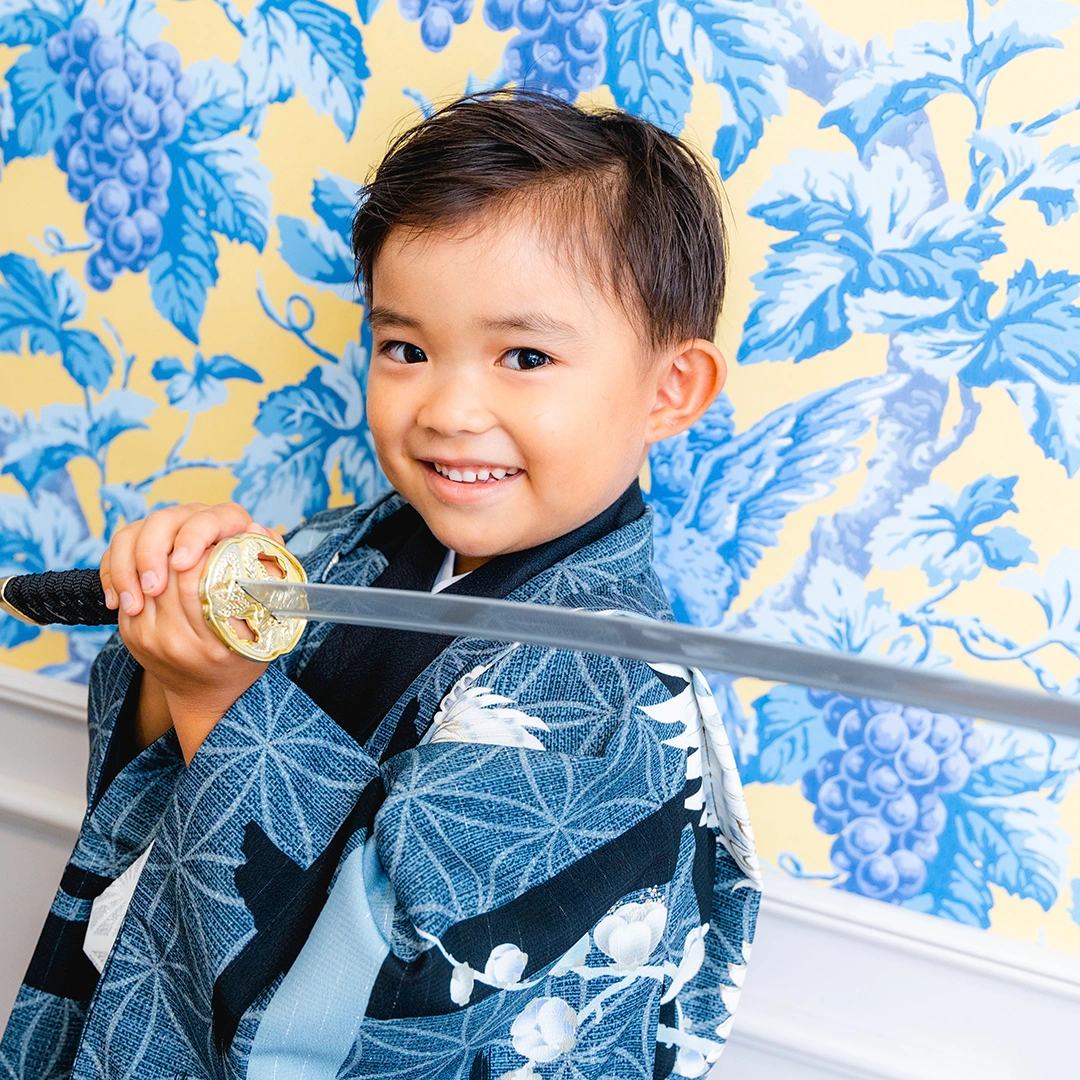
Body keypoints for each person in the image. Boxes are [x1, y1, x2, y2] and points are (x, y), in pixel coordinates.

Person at [1, 91, 760, 1080]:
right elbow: (150, 768)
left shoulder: (614, 707)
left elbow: (383, 1000)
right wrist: (171, 647)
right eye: (406, 349)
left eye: (525, 356)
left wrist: (221, 699)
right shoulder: (329, 554)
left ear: (671, 390)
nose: (448, 408)